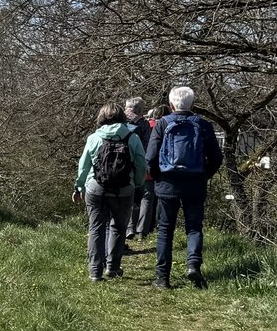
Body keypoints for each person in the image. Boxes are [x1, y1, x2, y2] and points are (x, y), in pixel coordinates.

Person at [146, 86, 223, 289]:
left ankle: (162, 277)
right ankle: (193, 265)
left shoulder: (162, 124)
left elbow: (150, 157)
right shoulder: (203, 125)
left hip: (167, 184)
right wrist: (204, 174)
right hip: (195, 183)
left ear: (171, 105)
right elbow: (217, 157)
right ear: (193, 104)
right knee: (194, 228)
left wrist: (158, 176)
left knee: (165, 230)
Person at [73, 103, 148, 281]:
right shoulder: (132, 137)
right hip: (124, 189)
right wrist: (137, 184)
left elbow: (83, 166)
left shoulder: (94, 138)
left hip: (96, 188)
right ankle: (112, 267)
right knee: (118, 227)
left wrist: (79, 186)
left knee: (96, 228)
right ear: (122, 117)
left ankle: (95, 272)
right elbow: (141, 165)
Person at [124, 97, 157, 241]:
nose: (125, 109)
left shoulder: (123, 124)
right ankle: (142, 231)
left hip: (126, 165)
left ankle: (129, 227)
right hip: (143, 164)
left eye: (126, 107)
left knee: (129, 195)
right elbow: (149, 145)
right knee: (146, 197)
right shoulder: (145, 124)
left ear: (131, 109)